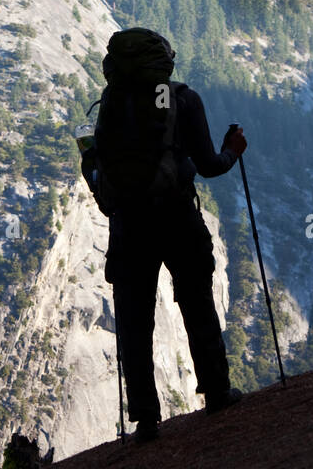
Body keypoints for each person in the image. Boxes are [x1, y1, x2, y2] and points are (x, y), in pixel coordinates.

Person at [81, 27, 247, 442]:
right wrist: (234, 150)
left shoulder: (111, 104)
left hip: (129, 224)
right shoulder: (184, 99)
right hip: (175, 217)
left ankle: (145, 419)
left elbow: (101, 165)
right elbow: (208, 165)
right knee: (196, 301)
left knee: (135, 320)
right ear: (164, 62)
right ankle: (217, 392)